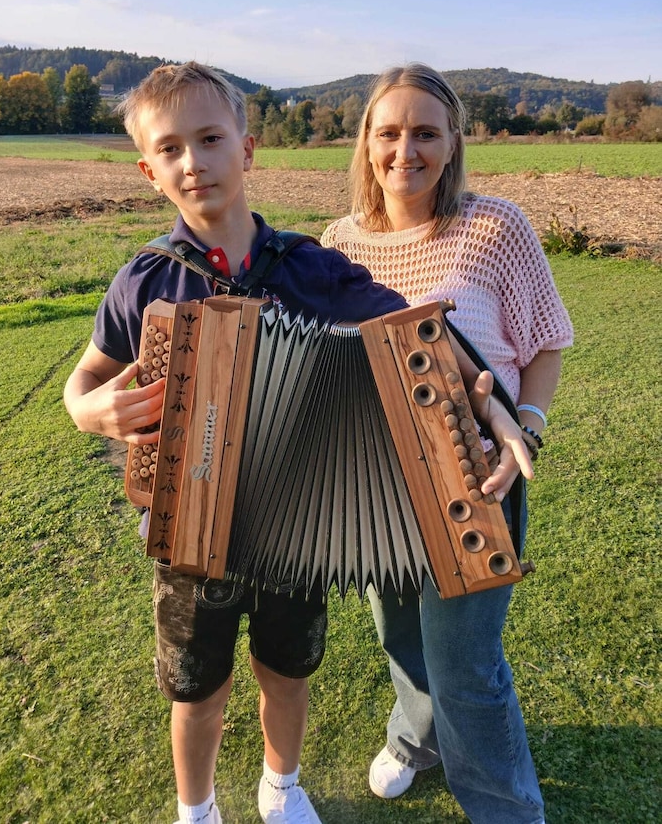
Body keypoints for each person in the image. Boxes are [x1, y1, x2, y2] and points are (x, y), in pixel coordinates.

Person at [63, 61, 529, 824]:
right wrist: (86, 408)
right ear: (149, 170)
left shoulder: (307, 266)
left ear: (246, 151)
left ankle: (281, 788)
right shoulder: (144, 280)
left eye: (211, 139)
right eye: (172, 149)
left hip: (293, 527)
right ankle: (198, 808)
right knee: (197, 687)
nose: (194, 161)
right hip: (187, 533)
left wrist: (501, 410)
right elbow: (84, 378)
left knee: (287, 670)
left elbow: (420, 326)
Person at [321, 63, 574, 824]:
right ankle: (417, 736)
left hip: (477, 472)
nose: (407, 149)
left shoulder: (496, 226)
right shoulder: (335, 245)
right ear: (366, 143)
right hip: (375, 480)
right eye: (389, 131)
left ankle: (506, 809)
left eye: (426, 131)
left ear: (453, 140)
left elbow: (547, 342)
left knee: (465, 660)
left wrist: (526, 422)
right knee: (399, 633)